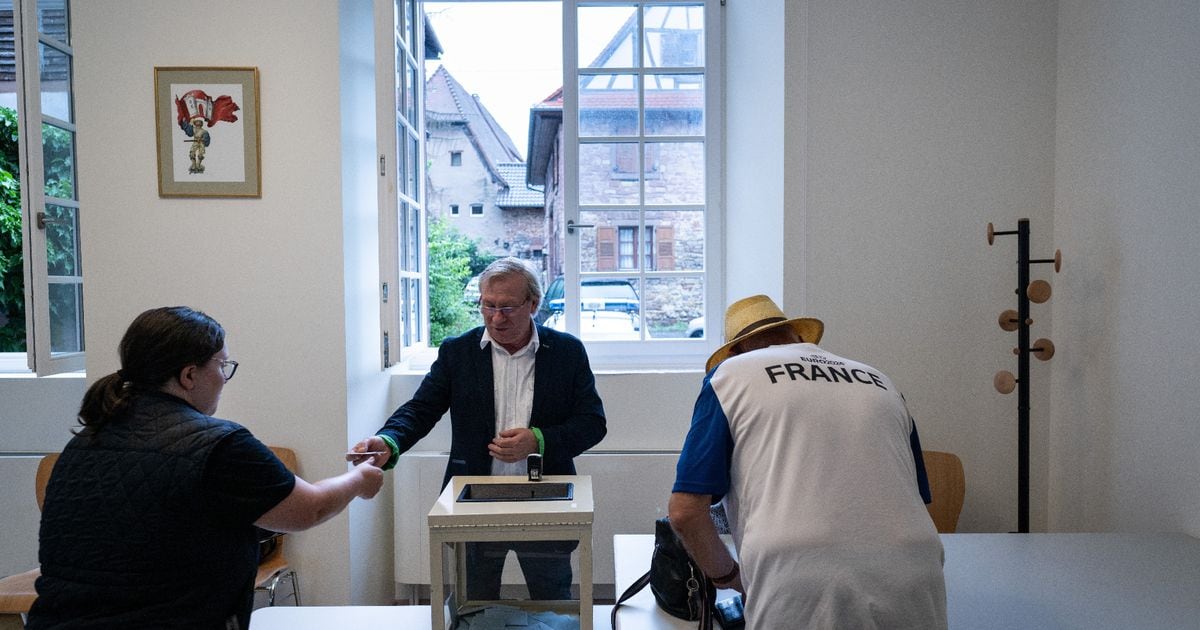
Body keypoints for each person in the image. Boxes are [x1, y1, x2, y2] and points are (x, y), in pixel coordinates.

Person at [27, 306, 384, 630]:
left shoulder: (85, 441)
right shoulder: (220, 444)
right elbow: (310, 508)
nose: (224, 378)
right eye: (222, 365)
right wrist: (360, 479)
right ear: (188, 375)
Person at [668, 295, 947, 629]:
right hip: (916, 567)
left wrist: (727, 575)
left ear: (736, 351)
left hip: (799, 574)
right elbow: (910, 496)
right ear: (799, 338)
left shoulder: (729, 376)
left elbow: (685, 512)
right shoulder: (881, 380)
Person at [350, 257, 606, 601]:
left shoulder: (566, 352)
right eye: (488, 305)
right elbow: (421, 409)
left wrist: (539, 440)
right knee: (474, 604)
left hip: (547, 499)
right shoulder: (459, 351)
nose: (496, 318)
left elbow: (592, 423)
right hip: (473, 500)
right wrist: (388, 440)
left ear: (533, 304)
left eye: (508, 307)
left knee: (553, 602)